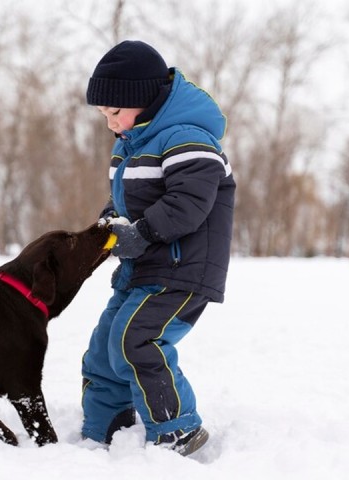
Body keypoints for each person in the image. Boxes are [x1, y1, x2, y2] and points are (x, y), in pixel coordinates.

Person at [81, 40, 235, 456]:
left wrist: (141, 233)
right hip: (143, 269)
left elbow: (188, 204)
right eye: (104, 115)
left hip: (183, 270)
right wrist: (109, 222)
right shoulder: (131, 144)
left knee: (136, 341)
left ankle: (176, 429)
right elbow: (127, 200)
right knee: (103, 348)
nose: (111, 123)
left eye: (115, 112)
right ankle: (105, 429)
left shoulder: (188, 138)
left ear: (143, 100)